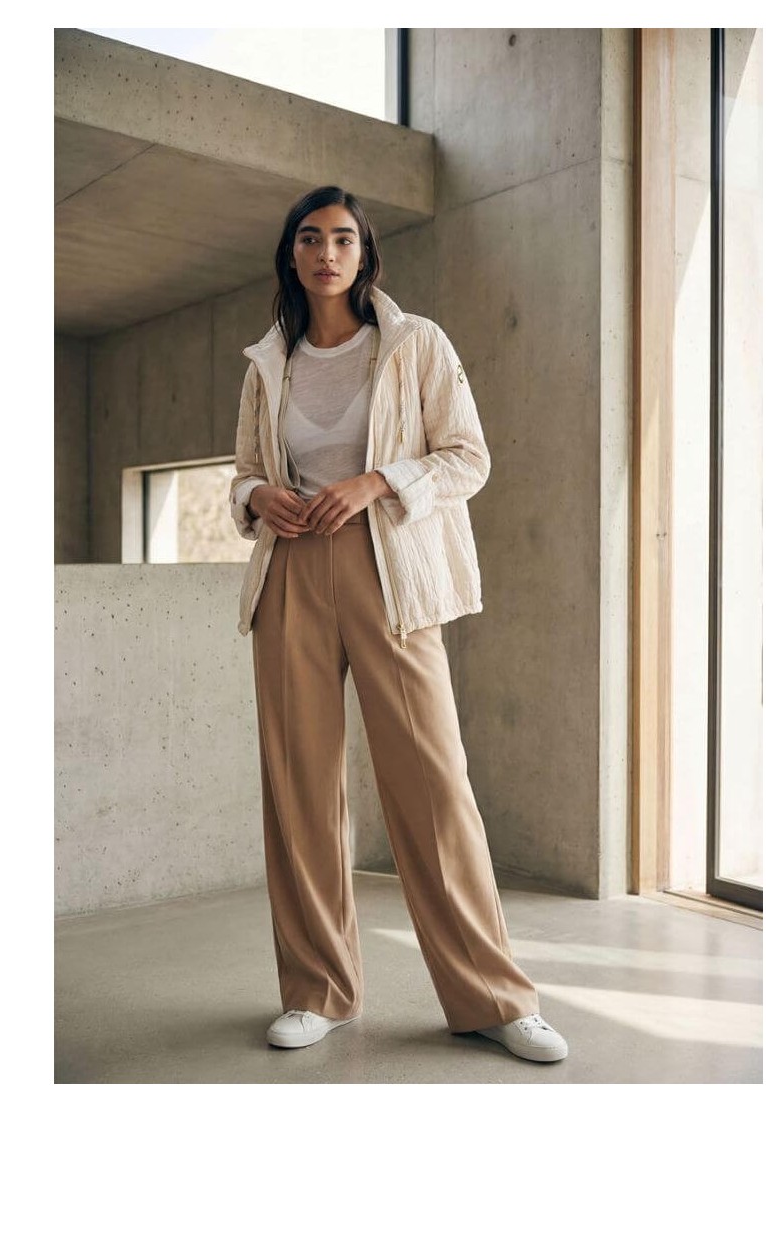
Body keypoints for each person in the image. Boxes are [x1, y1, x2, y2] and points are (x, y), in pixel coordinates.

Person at [228, 185, 568, 1065]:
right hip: (290, 574)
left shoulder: (416, 344)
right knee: (300, 789)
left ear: (364, 251)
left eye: (343, 238)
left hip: (391, 572)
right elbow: (244, 472)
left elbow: (468, 458)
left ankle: (493, 997)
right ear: (292, 253)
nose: (326, 253)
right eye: (311, 238)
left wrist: (377, 481)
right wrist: (259, 495)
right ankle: (317, 991)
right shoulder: (268, 361)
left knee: (433, 783)